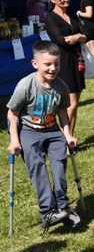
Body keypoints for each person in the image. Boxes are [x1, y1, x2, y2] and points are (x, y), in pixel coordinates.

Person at [6, 41, 81, 229]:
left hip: (53, 131)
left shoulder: (61, 86)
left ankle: (63, 209)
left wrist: (68, 135)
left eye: (56, 64)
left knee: (59, 167)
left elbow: (63, 113)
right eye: (47, 64)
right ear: (35, 64)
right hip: (29, 132)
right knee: (38, 168)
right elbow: (12, 114)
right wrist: (14, 140)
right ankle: (48, 212)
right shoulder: (26, 85)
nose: (52, 68)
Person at [46, 0, 86, 135]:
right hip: (63, 62)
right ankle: (65, 140)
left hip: (77, 61)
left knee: (75, 104)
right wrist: (77, 37)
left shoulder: (72, 16)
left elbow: (84, 34)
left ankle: (70, 138)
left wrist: (76, 37)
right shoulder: (50, 18)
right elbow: (61, 40)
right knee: (71, 103)